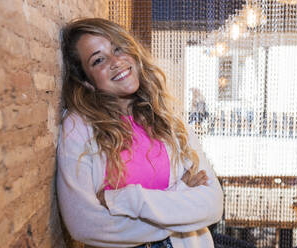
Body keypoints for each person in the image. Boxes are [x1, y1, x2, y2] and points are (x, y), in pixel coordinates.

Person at [57, 18, 223, 248]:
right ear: (87, 82)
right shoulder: (79, 127)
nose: (116, 62)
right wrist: (180, 199)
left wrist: (120, 199)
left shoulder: (170, 121)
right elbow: (84, 225)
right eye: (98, 60)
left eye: (118, 48)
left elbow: (212, 205)